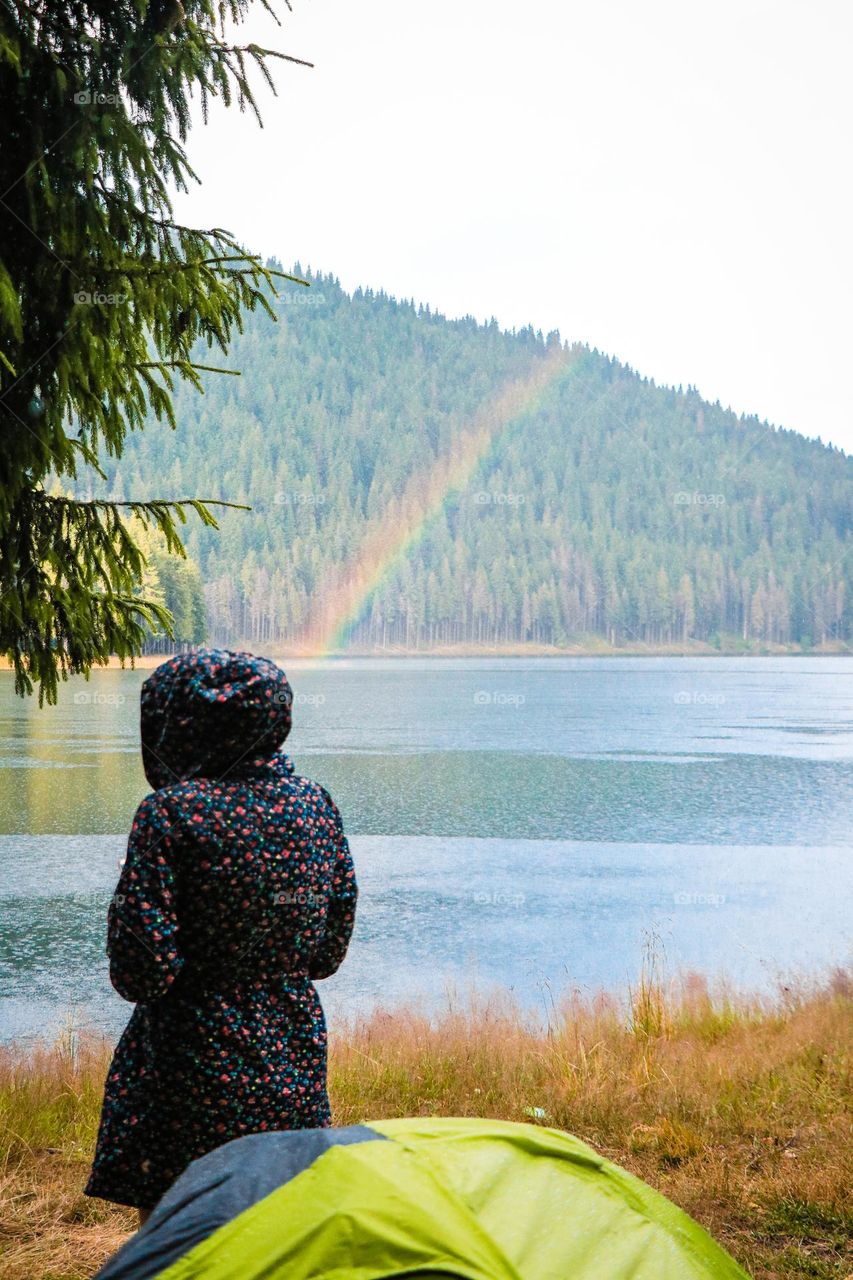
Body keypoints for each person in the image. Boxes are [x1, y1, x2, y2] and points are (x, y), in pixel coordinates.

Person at [83, 649, 357, 1229]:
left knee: (182, 1239)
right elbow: (329, 953)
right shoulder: (317, 806)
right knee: (278, 1232)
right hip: (292, 1047)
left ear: (178, 724)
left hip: (190, 1065)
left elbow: (141, 972)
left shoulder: (168, 814)